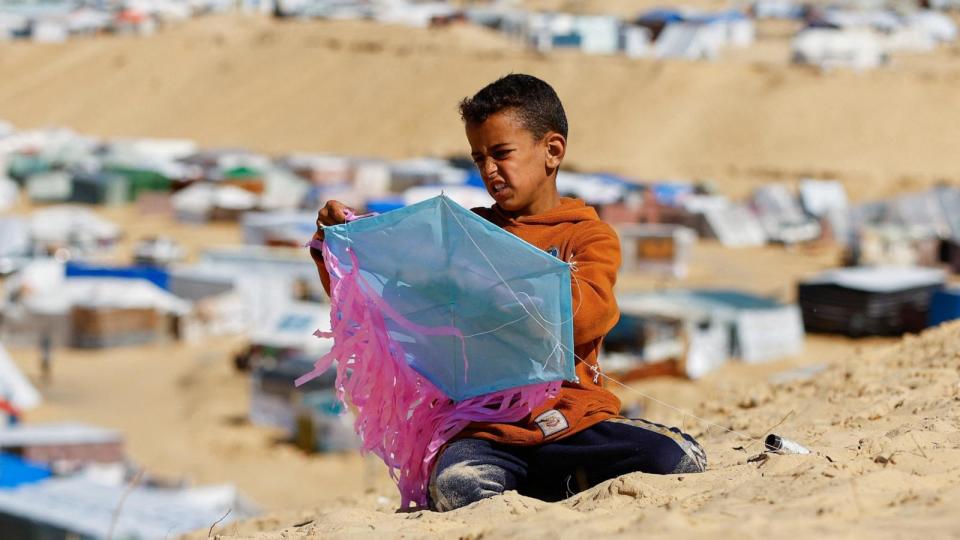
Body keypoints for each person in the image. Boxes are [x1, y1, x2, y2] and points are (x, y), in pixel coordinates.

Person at [311, 74, 706, 511]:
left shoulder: (588, 236)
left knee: (673, 460)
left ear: (552, 152)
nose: (489, 170)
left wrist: (486, 288)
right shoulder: (464, 234)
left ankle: (567, 476)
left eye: (501, 153)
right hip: (487, 430)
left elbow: (585, 316)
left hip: (574, 419)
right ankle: (552, 485)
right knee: (459, 484)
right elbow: (382, 301)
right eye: (479, 158)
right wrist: (344, 242)